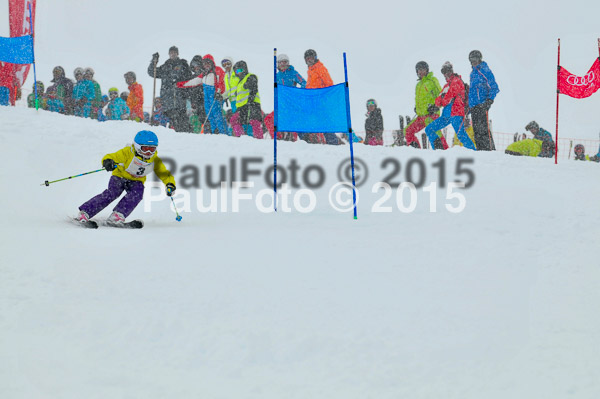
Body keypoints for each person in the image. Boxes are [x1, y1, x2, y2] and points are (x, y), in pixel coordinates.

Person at [76, 130, 176, 227]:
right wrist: (108, 161)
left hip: (137, 181)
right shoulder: (127, 152)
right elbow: (112, 156)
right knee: (112, 193)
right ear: (137, 146)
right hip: (120, 176)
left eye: (152, 149)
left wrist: (170, 184)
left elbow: (164, 174)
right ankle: (85, 212)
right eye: (145, 149)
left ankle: (117, 215)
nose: (149, 152)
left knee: (137, 194)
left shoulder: (154, 160)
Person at [425, 62, 475, 150]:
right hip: (447, 114)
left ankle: (474, 153)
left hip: (456, 113)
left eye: (447, 70)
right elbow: (440, 99)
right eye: (443, 71)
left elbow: (448, 97)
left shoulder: (457, 80)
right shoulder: (446, 85)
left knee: (461, 135)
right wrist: (435, 105)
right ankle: (438, 149)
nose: (445, 74)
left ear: (451, 70)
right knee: (429, 129)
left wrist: (440, 103)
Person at [148, 46, 192, 132]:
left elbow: (189, 79)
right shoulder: (165, 67)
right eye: (171, 52)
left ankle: (186, 135)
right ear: (169, 54)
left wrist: (187, 93)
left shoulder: (183, 65)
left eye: (174, 52)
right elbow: (152, 72)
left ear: (177, 53)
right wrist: (153, 62)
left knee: (183, 121)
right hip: (168, 101)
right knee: (172, 123)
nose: (173, 54)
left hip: (180, 99)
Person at [304, 49, 339, 145]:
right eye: (307, 59)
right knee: (313, 122)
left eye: (311, 58)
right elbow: (309, 86)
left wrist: (321, 94)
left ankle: (333, 142)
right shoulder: (310, 71)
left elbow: (329, 84)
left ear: (315, 58)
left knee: (325, 122)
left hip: (321, 102)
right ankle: (311, 141)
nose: (309, 61)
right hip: (313, 102)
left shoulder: (320, 68)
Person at [405, 61, 443, 148]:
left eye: (423, 70)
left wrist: (435, 107)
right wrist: (417, 108)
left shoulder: (432, 80)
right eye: (419, 70)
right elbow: (421, 100)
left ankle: (443, 151)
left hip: (431, 114)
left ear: (427, 70)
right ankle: (415, 151)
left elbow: (441, 95)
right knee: (408, 130)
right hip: (421, 116)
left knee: (434, 131)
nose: (421, 72)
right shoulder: (418, 85)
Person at [468, 50, 499, 151]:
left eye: (475, 59)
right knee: (476, 130)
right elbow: (472, 91)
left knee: (483, 130)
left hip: (482, 104)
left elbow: (494, 87)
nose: (474, 62)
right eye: (471, 60)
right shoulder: (472, 73)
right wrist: (469, 105)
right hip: (474, 106)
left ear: (480, 59)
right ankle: (480, 151)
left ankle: (489, 150)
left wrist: (489, 101)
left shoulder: (485, 70)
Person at [230, 60, 263, 138]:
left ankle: (259, 139)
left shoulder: (250, 76)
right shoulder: (239, 83)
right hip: (241, 107)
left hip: (252, 104)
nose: (239, 73)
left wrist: (250, 100)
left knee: (254, 121)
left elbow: (253, 87)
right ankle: (241, 137)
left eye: (240, 70)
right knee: (234, 120)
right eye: (237, 71)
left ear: (245, 69)